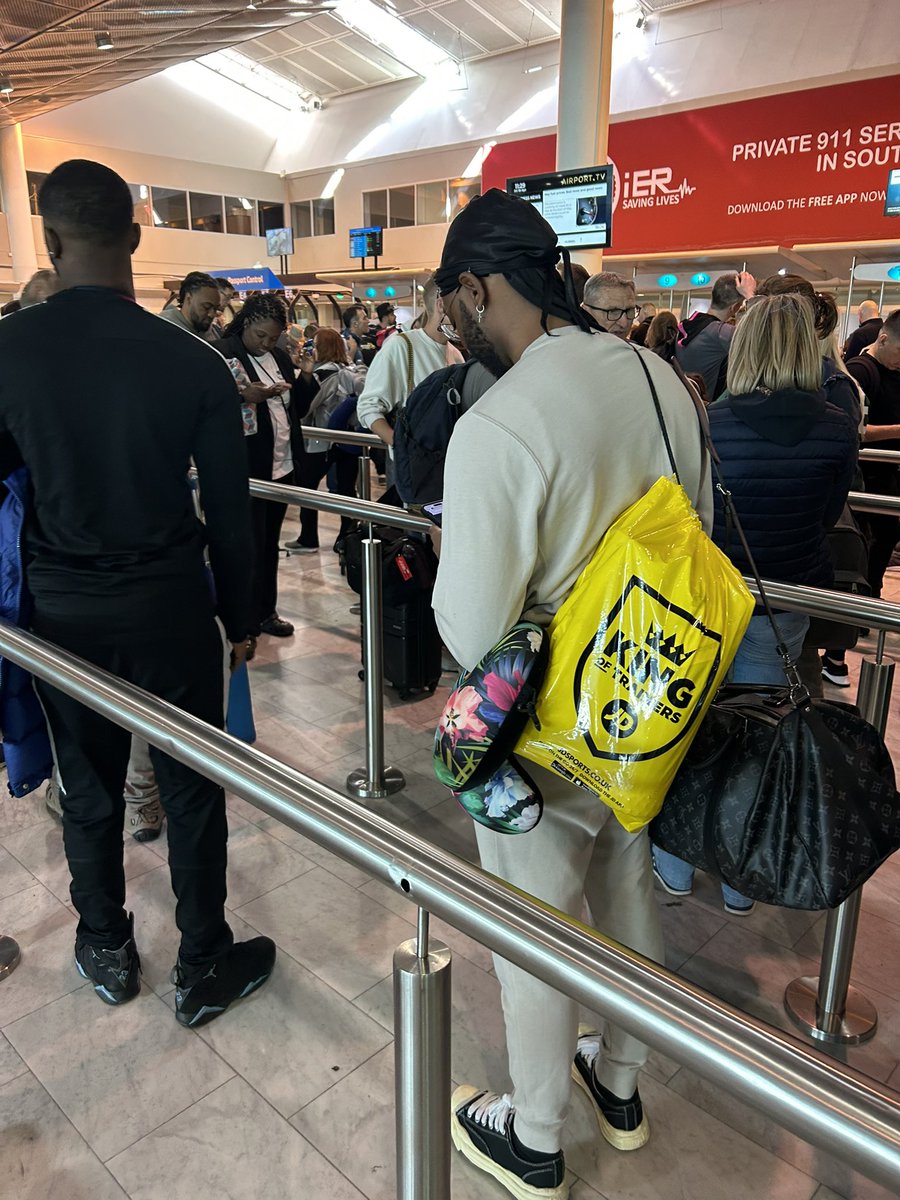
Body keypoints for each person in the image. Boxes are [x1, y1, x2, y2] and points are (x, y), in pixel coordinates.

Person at [432, 188, 710, 1199]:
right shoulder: (663, 380)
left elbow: (470, 629)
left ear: (476, 286)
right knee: (629, 884)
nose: (451, 327)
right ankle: (621, 1082)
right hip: (651, 704)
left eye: (451, 305)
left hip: (546, 731)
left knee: (533, 925)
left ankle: (537, 1134)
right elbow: (698, 529)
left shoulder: (501, 422)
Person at [0, 159, 274, 1022]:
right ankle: (202, 962)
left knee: (89, 789)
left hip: (60, 611)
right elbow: (231, 512)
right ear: (135, 237)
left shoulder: (8, 350)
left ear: (49, 240)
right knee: (192, 788)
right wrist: (240, 616)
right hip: (170, 606)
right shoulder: (190, 361)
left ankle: (107, 947)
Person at [652, 294, 857, 912]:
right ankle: (743, 880)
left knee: (692, 729)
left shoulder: (708, 420)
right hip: (783, 602)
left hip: (708, 604)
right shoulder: (837, 425)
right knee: (758, 742)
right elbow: (828, 515)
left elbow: (687, 515)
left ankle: (676, 861)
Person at [216, 295, 310, 646]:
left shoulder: (281, 357)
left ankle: (265, 611)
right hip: (247, 466)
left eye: (273, 337)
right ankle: (242, 620)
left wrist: (305, 377)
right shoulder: (223, 351)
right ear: (246, 323)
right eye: (261, 336)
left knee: (269, 543)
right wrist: (244, 396)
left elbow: (296, 406)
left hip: (281, 464)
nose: (267, 343)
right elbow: (207, 402)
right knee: (247, 546)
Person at [357, 274, 462, 455]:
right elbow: (368, 407)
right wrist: (402, 446)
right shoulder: (401, 346)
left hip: (448, 461)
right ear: (441, 306)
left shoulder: (456, 354)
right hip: (417, 468)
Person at [285, 327, 364, 553]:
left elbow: (305, 409)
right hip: (348, 437)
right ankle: (346, 538)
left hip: (321, 439)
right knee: (348, 489)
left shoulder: (321, 375)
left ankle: (308, 537)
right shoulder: (350, 370)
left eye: (315, 344)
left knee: (307, 488)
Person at [847, 309, 900, 598]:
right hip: (866, 469)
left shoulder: (892, 371)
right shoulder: (859, 371)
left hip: (887, 469)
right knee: (869, 537)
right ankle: (863, 594)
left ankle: (871, 591)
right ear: (883, 339)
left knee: (886, 535)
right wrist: (897, 431)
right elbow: (856, 430)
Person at [675, 272, 755, 400]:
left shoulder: (686, 325)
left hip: (683, 400)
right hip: (707, 408)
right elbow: (763, 339)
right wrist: (751, 296)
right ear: (734, 307)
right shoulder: (721, 333)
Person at [158, 271, 222, 342]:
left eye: (216, 308)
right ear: (188, 298)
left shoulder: (214, 333)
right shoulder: (164, 329)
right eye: (206, 307)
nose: (212, 314)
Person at [581, 271, 637, 338]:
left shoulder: (636, 348)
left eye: (629, 310)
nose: (624, 324)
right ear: (586, 312)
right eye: (613, 311)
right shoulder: (569, 346)